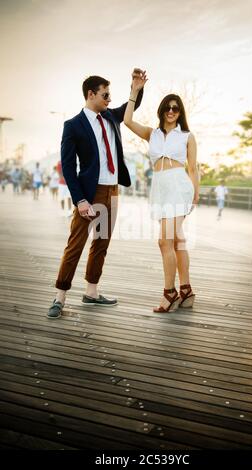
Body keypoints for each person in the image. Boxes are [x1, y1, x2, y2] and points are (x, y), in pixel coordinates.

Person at [48, 69, 144, 319]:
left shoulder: (111, 117)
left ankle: (92, 291)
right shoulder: (73, 125)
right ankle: (60, 296)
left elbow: (131, 107)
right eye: (105, 94)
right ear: (91, 95)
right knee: (75, 245)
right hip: (90, 195)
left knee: (101, 243)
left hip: (112, 191)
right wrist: (80, 200)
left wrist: (135, 88)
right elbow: (68, 166)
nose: (110, 99)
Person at [124, 74, 199, 313]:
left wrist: (195, 195)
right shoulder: (152, 134)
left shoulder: (187, 136)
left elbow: (193, 167)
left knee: (164, 240)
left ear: (180, 112)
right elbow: (126, 121)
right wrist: (135, 91)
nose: (171, 111)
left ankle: (170, 292)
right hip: (159, 188)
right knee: (177, 241)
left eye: (176, 108)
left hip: (179, 187)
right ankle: (186, 290)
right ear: (162, 110)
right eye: (168, 107)